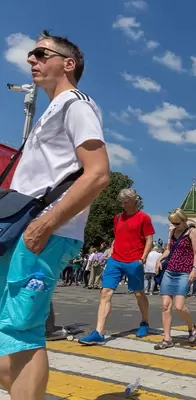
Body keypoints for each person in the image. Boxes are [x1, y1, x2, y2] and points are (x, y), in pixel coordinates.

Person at [0, 30, 110, 399]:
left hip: (42, 232)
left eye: (40, 53)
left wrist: (43, 225)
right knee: (10, 334)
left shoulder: (77, 104)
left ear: (68, 64)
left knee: (21, 334)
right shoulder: (54, 109)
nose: (31, 59)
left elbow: (97, 173)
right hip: (28, 229)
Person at [79, 188, 155, 345]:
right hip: (115, 260)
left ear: (134, 201)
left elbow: (149, 240)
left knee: (139, 294)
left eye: (126, 202)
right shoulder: (118, 218)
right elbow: (117, 236)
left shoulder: (144, 218)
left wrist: (142, 258)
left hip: (134, 261)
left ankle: (144, 322)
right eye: (122, 202)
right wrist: (112, 252)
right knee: (105, 293)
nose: (124, 205)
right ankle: (99, 332)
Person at [154, 209, 196, 349]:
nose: (174, 225)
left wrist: (194, 269)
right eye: (172, 223)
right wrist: (159, 259)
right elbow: (169, 249)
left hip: (184, 272)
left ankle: (191, 327)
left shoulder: (192, 232)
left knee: (179, 306)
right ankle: (167, 339)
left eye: (177, 222)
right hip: (170, 271)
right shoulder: (172, 232)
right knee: (165, 305)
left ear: (184, 220)